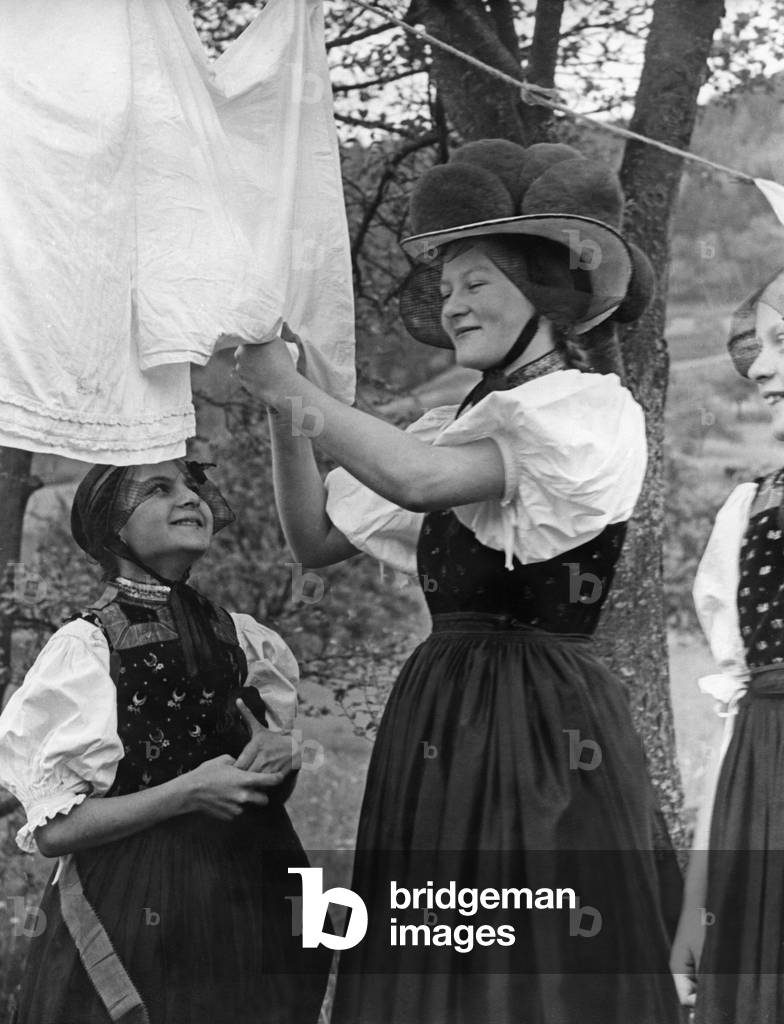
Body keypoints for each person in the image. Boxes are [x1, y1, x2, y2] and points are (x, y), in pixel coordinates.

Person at [238, 139, 681, 1024]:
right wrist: (286, 411)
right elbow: (316, 538)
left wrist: (291, 381)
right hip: (445, 706)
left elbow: (421, 483)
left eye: (477, 281)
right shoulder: (459, 427)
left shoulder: (585, 412)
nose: (453, 302)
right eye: (445, 288)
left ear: (545, 292)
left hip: (535, 713)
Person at [0, 459, 330, 1024]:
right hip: (138, 900)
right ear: (114, 528)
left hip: (253, 892)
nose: (190, 498)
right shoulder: (85, 648)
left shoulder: (242, 636)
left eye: (192, 485)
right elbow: (55, 831)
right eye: (159, 489)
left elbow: (255, 751)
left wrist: (283, 750)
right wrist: (186, 793)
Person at [670, 267, 784, 1024]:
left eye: (783, 342)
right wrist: (697, 906)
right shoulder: (751, 511)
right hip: (763, 793)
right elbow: (735, 717)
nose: (762, 365)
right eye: (762, 344)